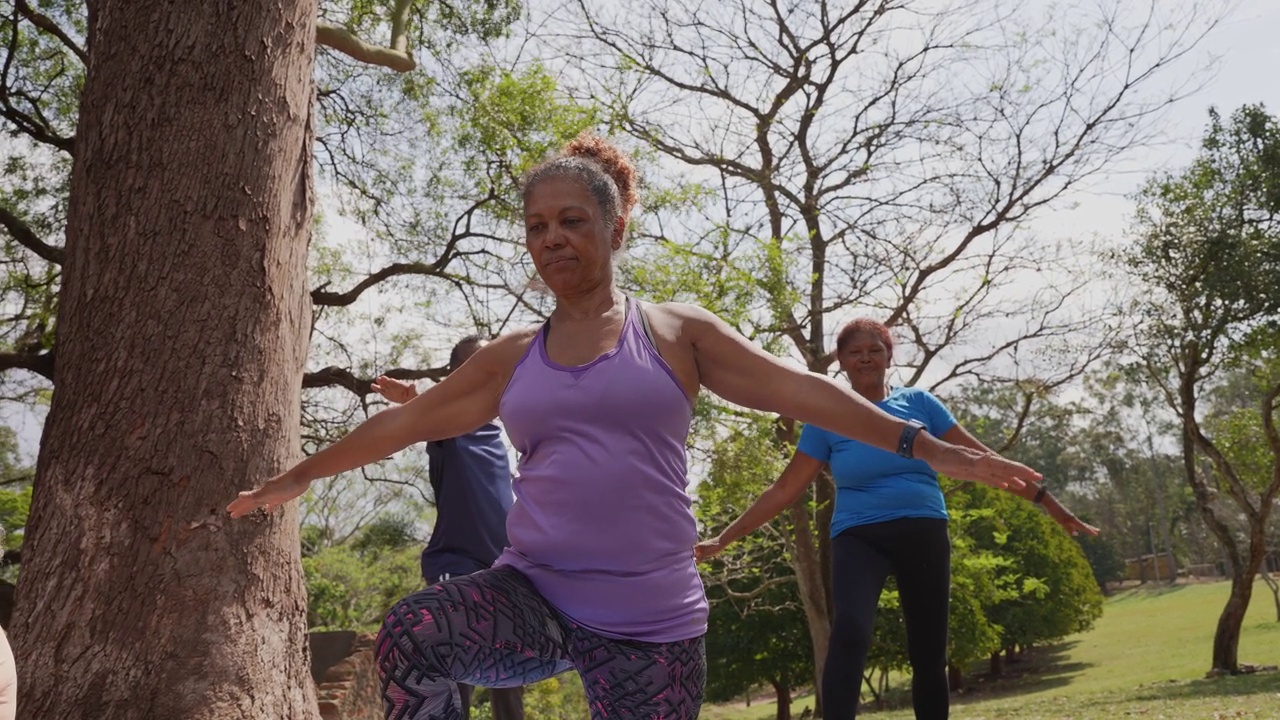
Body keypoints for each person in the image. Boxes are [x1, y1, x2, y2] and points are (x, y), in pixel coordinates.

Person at [228, 134, 1041, 720]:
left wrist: (924, 445)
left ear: (615, 229)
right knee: (414, 631)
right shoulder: (511, 356)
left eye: (572, 220)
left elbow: (804, 392)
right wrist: (298, 474)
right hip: (535, 594)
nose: (552, 238)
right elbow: (403, 426)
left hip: (649, 621)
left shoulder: (678, 332)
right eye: (537, 225)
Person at [694, 317, 1098, 720]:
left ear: (889, 356)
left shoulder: (920, 404)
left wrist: (1048, 502)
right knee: (850, 634)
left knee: (928, 650)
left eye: (874, 350)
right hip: (858, 537)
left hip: (922, 529)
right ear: (842, 361)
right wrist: (724, 539)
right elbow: (785, 489)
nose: (865, 358)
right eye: (855, 352)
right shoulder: (825, 417)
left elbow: (983, 462)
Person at [370, 335, 525, 720]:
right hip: (456, 567)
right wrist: (414, 400)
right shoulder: (451, 429)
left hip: (504, 571)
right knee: (458, 676)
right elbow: (426, 417)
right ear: (461, 375)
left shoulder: (501, 435)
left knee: (510, 679)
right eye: (482, 363)